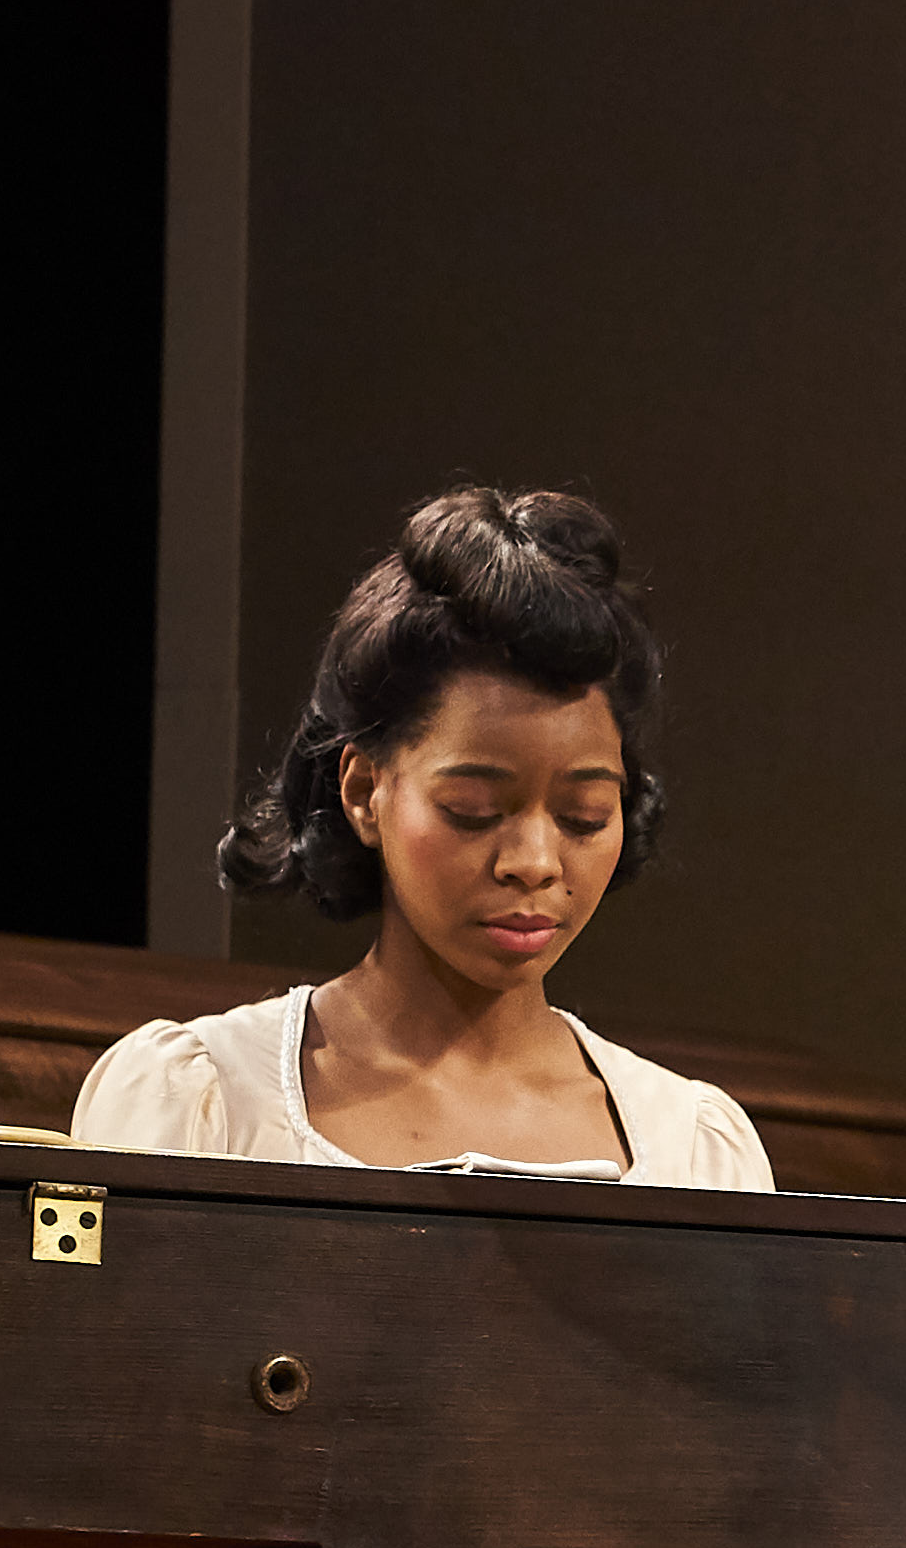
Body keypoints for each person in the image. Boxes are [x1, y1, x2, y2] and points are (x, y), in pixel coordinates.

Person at [77, 487, 771, 1187]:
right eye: (473, 810)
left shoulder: (693, 1148)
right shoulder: (204, 1103)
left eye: (583, 816)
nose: (534, 862)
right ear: (363, 792)